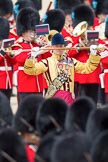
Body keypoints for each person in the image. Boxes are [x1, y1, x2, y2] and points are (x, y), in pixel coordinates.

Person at [24, 33, 101, 106]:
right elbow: (30, 70)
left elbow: (87, 68)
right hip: (53, 99)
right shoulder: (47, 62)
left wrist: (93, 54)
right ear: (52, 47)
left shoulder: (71, 61)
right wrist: (32, 57)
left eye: (61, 45)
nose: (59, 48)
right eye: (56, 46)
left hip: (69, 99)